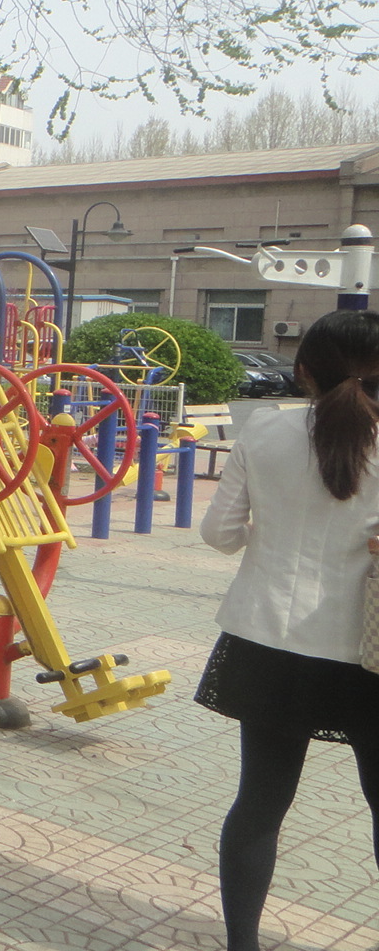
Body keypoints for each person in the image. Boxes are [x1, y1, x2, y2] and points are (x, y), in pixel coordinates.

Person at [195, 309, 379, 951]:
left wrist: (272, 539)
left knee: (260, 805)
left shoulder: (263, 433)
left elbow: (219, 535)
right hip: (369, 653)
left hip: (267, 642)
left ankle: (241, 942)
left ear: (303, 370)